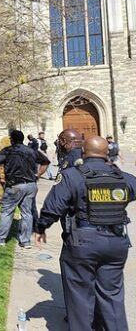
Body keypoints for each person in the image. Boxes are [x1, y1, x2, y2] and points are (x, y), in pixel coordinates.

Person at [34, 136, 134, 331]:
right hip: (116, 243)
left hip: (83, 243)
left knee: (79, 297)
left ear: (83, 152)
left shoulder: (73, 175)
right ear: (107, 153)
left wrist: (41, 227)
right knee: (112, 296)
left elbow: (54, 207)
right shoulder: (122, 177)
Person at [0, 130, 50, 249]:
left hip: (14, 185)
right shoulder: (32, 151)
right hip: (31, 185)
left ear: (12, 139)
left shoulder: (8, 151)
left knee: (7, 211)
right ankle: (25, 241)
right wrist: (38, 174)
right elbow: (46, 162)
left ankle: (0, 238)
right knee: (27, 213)